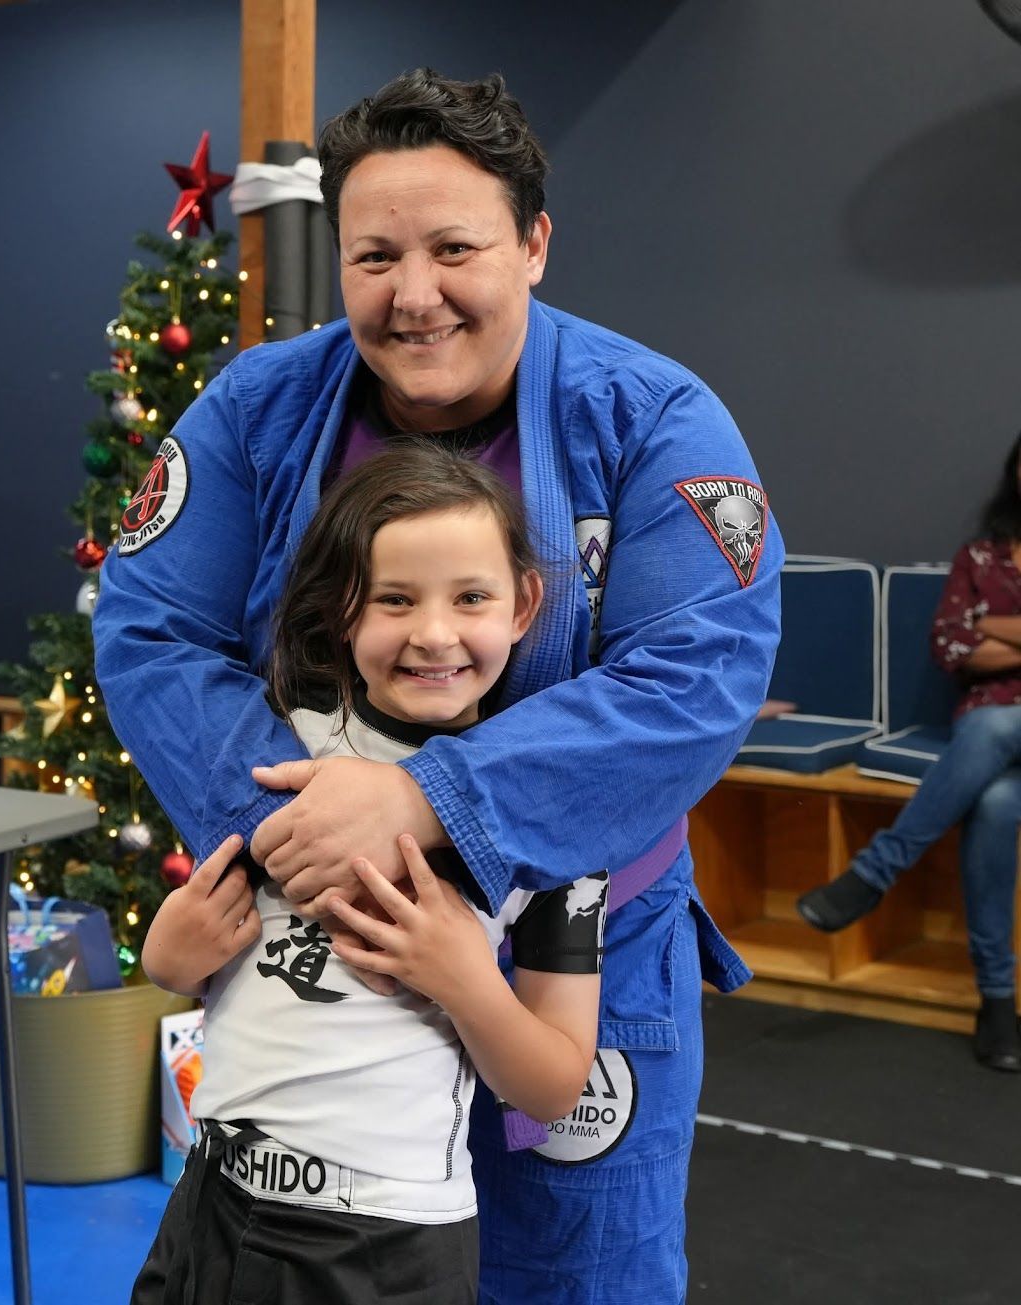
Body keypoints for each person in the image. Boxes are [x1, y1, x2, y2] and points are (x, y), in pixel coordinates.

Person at [95, 69, 782, 1303]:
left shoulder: (654, 423)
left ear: (533, 246)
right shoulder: (260, 408)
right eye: (374, 257)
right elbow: (151, 631)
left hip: (574, 956)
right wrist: (290, 835)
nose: (414, 295)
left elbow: (697, 676)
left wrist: (422, 802)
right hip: (327, 947)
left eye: (455, 248)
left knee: (573, 1274)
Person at [131, 443, 607, 1305]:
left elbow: (555, 1082)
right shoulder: (278, 749)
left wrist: (467, 983)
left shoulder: (551, 807)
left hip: (385, 1248)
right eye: (395, 599)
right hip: (210, 1200)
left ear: (524, 603)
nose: (433, 632)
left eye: (470, 597)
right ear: (344, 609)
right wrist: (169, 951)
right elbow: (190, 967)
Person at [798, 432, 1021, 1073]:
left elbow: (974, 637)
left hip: (993, 729)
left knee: (994, 727)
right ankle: (998, 1001)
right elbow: (950, 646)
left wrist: (992, 627)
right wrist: (975, 631)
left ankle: (874, 874)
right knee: (999, 799)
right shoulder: (980, 556)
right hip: (989, 747)